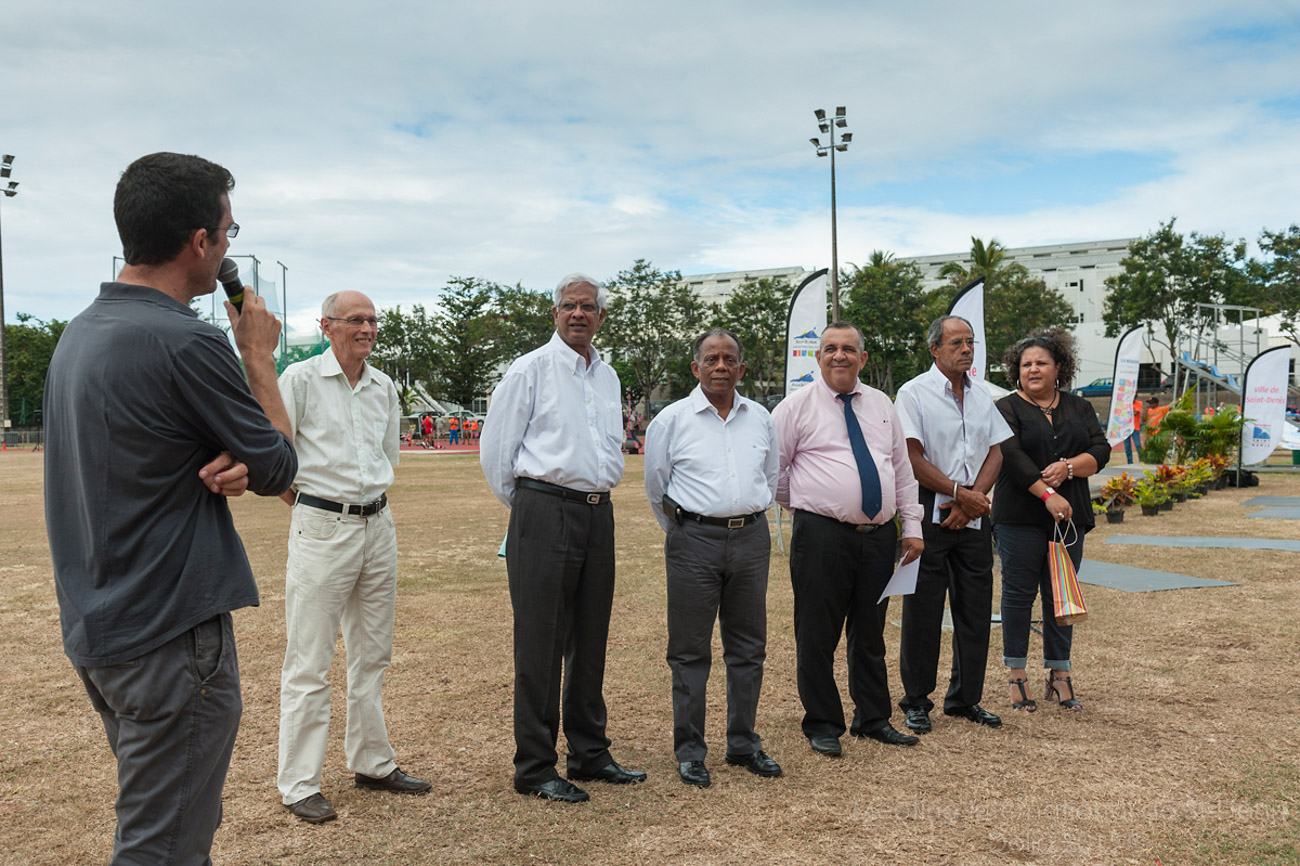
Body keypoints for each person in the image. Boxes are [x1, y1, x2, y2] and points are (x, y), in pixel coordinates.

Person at [43, 152, 298, 864]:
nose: (228, 241)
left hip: (103, 625)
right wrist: (257, 357)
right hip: (172, 636)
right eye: (229, 228)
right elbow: (282, 464)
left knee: (169, 822)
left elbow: (142, 453)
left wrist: (226, 460)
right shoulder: (188, 340)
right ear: (202, 243)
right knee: (162, 847)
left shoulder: (81, 333)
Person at [480, 272, 646, 803]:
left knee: (590, 638)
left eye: (588, 307)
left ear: (601, 316)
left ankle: (589, 753)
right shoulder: (530, 370)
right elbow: (497, 453)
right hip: (545, 510)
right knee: (540, 642)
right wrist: (532, 508)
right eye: (569, 306)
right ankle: (534, 766)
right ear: (555, 314)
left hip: (599, 513)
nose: (578, 313)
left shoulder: (608, 376)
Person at [276, 291, 430, 824]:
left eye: (372, 320)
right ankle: (298, 783)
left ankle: (372, 762)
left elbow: (387, 455)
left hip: (377, 524)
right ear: (327, 326)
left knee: (373, 654)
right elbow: (276, 450)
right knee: (310, 660)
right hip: (323, 526)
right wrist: (301, 497)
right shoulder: (299, 380)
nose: (367, 328)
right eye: (355, 320)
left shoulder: (383, 385)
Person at [773, 322, 924, 758]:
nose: (840, 356)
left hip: (878, 538)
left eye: (849, 349)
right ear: (818, 357)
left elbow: (902, 471)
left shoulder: (881, 404)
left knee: (870, 632)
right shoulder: (794, 408)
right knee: (817, 634)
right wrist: (807, 503)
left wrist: (911, 528)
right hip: (821, 536)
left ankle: (873, 718)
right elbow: (773, 472)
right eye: (831, 349)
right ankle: (822, 723)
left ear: (863, 357)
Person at [644, 328, 781, 788]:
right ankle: (690, 751)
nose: (720, 366)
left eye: (729, 359)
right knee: (689, 652)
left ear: (742, 369)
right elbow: (656, 486)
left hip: (751, 539)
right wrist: (686, 532)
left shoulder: (760, 417)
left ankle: (743, 744)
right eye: (711, 359)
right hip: (693, 542)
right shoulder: (672, 420)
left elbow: (770, 473)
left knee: (748, 649)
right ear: (695, 367)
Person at [894, 316, 1012, 735]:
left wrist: (973, 501)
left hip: (973, 516)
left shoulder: (981, 396)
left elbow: (997, 451)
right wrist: (959, 494)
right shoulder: (913, 393)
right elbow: (911, 457)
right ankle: (916, 700)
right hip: (930, 510)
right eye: (956, 343)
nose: (966, 349)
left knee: (975, 609)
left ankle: (965, 699)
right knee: (924, 610)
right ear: (935, 349)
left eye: (970, 342)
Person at [993, 328, 1110, 713]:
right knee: (1018, 595)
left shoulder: (1079, 407)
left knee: (1061, 595)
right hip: (1019, 516)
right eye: (1025, 364)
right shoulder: (1006, 408)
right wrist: (1048, 493)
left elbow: (1101, 450)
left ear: (1059, 366)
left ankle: (1059, 674)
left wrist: (1068, 467)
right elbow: (1012, 457)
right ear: (1016, 370)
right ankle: (1017, 675)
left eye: (1041, 362)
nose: (1033, 369)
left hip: (1068, 518)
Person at [1123, 395, 1145, 463]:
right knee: (1127, 446)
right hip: (1125, 427)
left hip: (1135, 427)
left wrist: (1127, 408)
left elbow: (1135, 412)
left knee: (1138, 444)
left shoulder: (1139, 403)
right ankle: (1130, 461)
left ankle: (1142, 460)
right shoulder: (1124, 403)